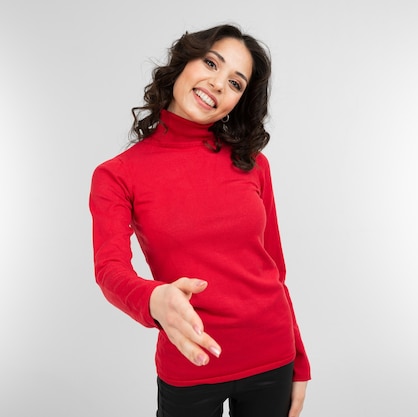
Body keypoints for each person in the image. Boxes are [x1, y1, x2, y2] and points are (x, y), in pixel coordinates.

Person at [89, 23, 311, 417]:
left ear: (239, 101)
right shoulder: (117, 174)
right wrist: (154, 298)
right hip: (190, 363)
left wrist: (299, 358)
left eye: (236, 83)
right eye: (211, 62)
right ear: (183, 62)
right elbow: (109, 270)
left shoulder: (254, 164)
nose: (218, 83)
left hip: (271, 355)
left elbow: (275, 271)